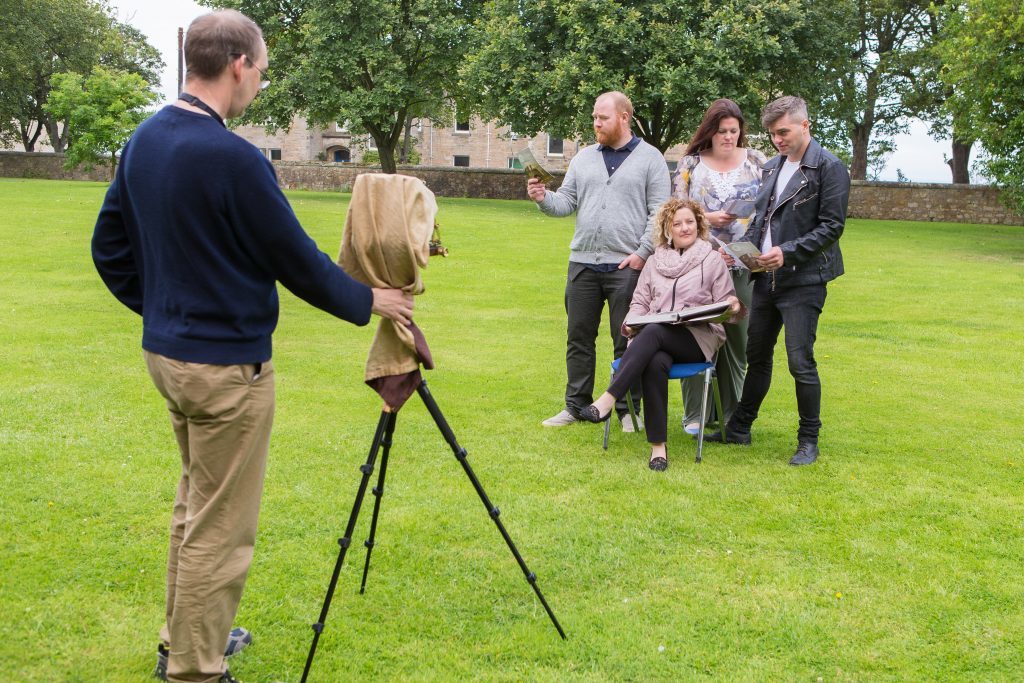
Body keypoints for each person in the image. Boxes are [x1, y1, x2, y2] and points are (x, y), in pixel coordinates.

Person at [91, 10, 413, 683]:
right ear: (238, 63)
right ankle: (196, 670)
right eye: (260, 72)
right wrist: (370, 300)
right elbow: (296, 259)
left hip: (170, 357)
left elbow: (109, 248)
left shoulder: (145, 138)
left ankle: (181, 639)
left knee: (194, 505)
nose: (259, 85)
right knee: (221, 526)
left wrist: (164, 314)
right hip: (225, 368)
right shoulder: (232, 156)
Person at [709, 95, 850, 466]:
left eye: (783, 132)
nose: (778, 140)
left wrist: (787, 252)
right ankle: (740, 427)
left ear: (805, 125)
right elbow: (761, 221)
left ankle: (808, 440)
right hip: (765, 278)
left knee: (799, 361)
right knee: (757, 357)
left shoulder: (829, 168)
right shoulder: (772, 167)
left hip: (804, 279)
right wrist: (742, 252)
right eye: (772, 134)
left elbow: (832, 227)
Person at [527, 91, 670, 432]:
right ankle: (575, 405)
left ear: (624, 117)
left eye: (602, 117)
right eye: (594, 116)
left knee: (628, 341)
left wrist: (641, 255)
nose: (595, 123)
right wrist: (543, 198)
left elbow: (660, 213)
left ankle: (624, 409)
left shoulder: (651, 159)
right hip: (583, 265)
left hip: (627, 266)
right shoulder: (583, 158)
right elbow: (566, 203)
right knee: (578, 337)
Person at [578, 199, 742, 471]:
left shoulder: (712, 259)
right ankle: (658, 449)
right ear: (667, 230)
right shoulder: (654, 262)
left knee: (654, 331)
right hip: (655, 341)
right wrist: (631, 323)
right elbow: (639, 303)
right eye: (677, 224)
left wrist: (731, 306)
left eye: (689, 222)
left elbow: (726, 302)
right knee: (654, 360)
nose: (684, 228)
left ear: (699, 225)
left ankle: (608, 399)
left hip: (697, 338)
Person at [671, 98, 767, 437]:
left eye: (734, 131)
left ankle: (732, 415)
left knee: (737, 341)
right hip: (698, 265)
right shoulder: (690, 164)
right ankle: (695, 415)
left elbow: (769, 211)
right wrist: (706, 219)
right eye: (721, 131)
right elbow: (675, 213)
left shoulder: (757, 161)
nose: (728, 137)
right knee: (696, 337)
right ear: (709, 131)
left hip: (743, 265)